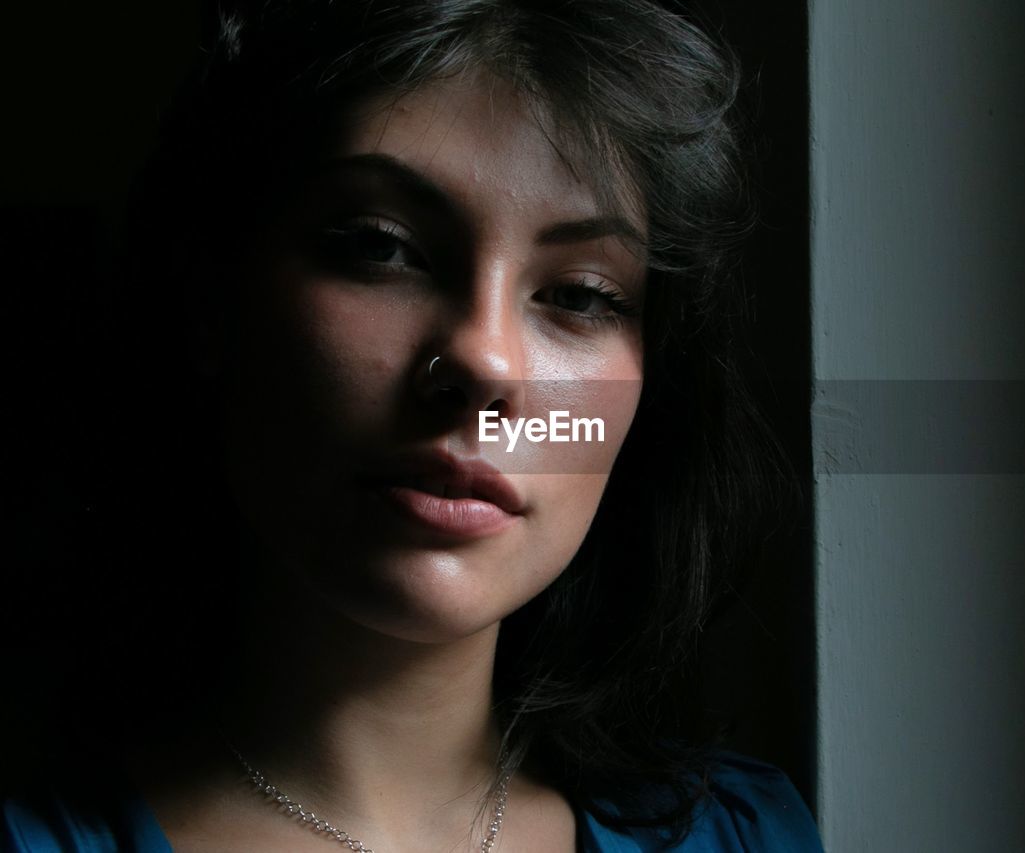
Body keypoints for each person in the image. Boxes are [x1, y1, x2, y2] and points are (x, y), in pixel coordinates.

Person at [3, 1, 823, 850]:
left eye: (581, 294)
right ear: (213, 296)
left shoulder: (746, 834)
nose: (484, 361)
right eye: (382, 247)